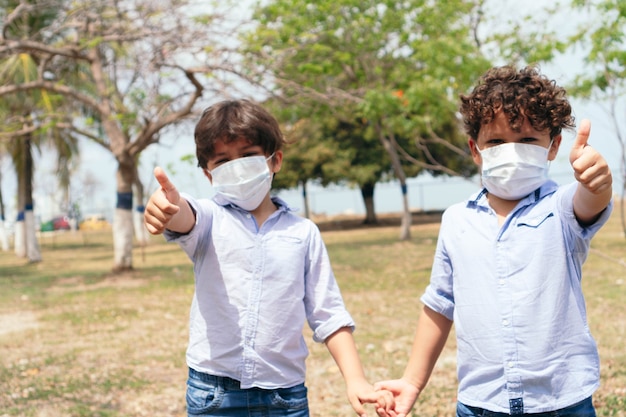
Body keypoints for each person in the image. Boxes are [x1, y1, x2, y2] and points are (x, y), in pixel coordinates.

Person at [375, 65, 614, 417]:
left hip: (561, 402)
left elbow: (590, 201)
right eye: (497, 142)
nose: (512, 152)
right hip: (482, 403)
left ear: (553, 147)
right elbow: (440, 303)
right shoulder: (456, 220)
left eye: (529, 140)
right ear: (476, 149)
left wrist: (598, 181)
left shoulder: (561, 208)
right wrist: (412, 382)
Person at [143, 99, 392, 417]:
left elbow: (327, 313)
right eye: (222, 161)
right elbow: (184, 214)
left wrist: (356, 380)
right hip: (213, 393)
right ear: (209, 176)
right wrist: (168, 205)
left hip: (284, 397)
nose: (237, 167)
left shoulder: (303, 233)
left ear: (275, 161)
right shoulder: (209, 219)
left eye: (248, 156)